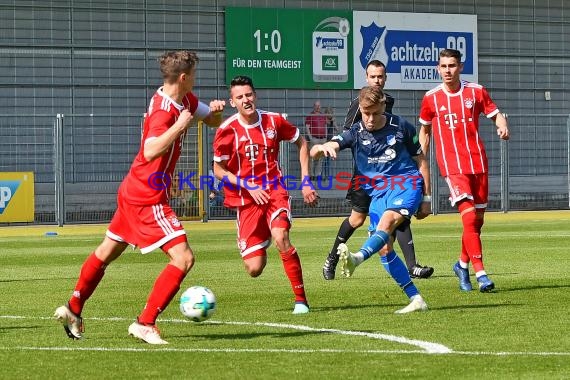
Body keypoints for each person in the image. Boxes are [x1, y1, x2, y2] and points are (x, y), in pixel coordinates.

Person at [54, 50, 226, 344]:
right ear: (183, 78)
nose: (196, 80)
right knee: (183, 259)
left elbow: (210, 120)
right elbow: (150, 149)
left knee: (106, 252)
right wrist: (180, 125)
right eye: (194, 75)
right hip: (148, 196)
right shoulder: (163, 111)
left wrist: (216, 110)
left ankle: (73, 308)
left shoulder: (184, 99)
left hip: (133, 189)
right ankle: (145, 323)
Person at [310, 86, 432, 313]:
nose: (370, 119)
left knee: (386, 223)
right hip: (377, 193)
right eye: (366, 113)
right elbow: (319, 149)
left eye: (375, 113)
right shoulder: (355, 132)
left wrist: (426, 197)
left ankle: (356, 258)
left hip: (405, 184)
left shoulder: (402, 127)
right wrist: (321, 147)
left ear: (383, 107)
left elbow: (422, 162)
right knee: (385, 249)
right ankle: (416, 299)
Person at [212, 75, 319, 314]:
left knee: (282, 237)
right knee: (254, 268)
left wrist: (305, 181)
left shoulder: (274, 121)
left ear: (255, 96)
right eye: (239, 97)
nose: (245, 100)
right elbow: (218, 169)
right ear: (233, 102)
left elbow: (302, 143)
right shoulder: (226, 130)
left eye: (249, 95)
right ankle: (264, 237)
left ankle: (301, 300)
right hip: (246, 199)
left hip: (274, 192)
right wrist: (247, 185)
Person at [321, 60, 434, 280]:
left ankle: (412, 265)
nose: (377, 80)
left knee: (399, 215)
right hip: (365, 174)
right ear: (366, 78)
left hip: (389, 173)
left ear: (385, 78)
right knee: (356, 219)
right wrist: (332, 145)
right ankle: (332, 258)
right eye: (373, 77)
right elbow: (349, 133)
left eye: (380, 77)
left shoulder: (387, 101)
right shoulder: (359, 103)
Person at [418, 48, 510, 292]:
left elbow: (496, 114)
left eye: (452, 66)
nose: (447, 70)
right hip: (452, 166)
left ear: (460, 67)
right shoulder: (431, 98)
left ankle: (461, 265)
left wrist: (502, 126)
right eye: (443, 66)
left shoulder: (476, 91)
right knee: (468, 216)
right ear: (438, 69)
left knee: (476, 222)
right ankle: (481, 273)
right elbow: (425, 131)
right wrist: (420, 158)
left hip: (478, 163)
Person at [305, 100, 328, 178]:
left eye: (319, 105)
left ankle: (318, 175)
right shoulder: (310, 115)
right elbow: (307, 127)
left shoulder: (323, 115)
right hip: (314, 139)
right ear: (314, 106)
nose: (318, 107)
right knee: (312, 157)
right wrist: (311, 138)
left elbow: (325, 126)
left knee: (320, 158)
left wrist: (326, 136)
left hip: (322, 139)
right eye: (316, 105)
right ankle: (311, 175)